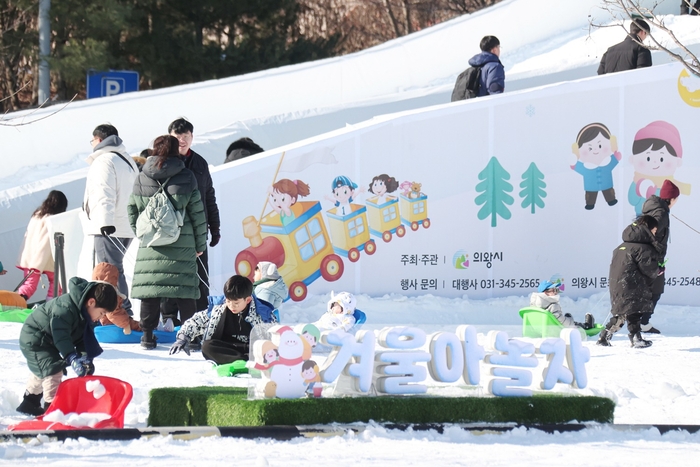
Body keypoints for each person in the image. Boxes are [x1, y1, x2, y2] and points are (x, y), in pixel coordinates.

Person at [127, 135, 208, 349]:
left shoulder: (142, 177)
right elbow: (198, 215)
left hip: (151, 243)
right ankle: (191, 336)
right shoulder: (186, 176)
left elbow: (132, 209)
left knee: (150, 290)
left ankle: (147, 336)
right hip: (181, 242)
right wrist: (200, 245)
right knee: (185, 291)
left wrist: (142, 232)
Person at [16, 278, 117, 416]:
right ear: (91, 302)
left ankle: (29, 403)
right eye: (101, 313)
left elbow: (83, 338)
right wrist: (71, 356)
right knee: (53, 370)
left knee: (43, 368)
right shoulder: (65, 308)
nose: (100, 318)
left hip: (48, 341)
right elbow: (61, 335)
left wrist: (85, 357)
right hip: (35, 339)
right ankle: (51, 410)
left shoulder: (84, 312)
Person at [163, 118, 221, 324]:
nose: (182, 141)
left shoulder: (199, 163)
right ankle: (169, 317)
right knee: (171, 275)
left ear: (192, 138)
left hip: (197, 231)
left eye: (185, 136)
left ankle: (202, 318)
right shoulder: (163, 162)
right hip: (171, 230)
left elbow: (209, 196)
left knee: (199, 276)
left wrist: (215, 227)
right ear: (169, 137)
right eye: (177, 137)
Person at [83, 124, 138, 316]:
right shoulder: (126, 160)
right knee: (115, 269)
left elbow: (103, 193)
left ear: (98, 140)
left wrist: (104, 222)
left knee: (107, 272)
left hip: (108, 225)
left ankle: (118, 313)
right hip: (125, 225)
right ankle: (118, 312)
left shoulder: (104, 160)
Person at [169, 275, 278, 365]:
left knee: (267, 350)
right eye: (228, 301)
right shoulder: (218, 309)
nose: (231, 306)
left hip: (252, 348)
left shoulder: (262, 313)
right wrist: (183, 337)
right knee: (207, 347)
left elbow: (276, 333)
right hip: (228, 348)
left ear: (248, 300)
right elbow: (197, 320)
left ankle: (245, 360)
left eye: (236, 303)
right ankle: (243, 362)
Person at [597, 215, 663, 348]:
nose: (655, 233)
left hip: (620, 285)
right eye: (655, 230)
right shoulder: (643, 248)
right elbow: (649, 269)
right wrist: (659, 270)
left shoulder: (623, 246)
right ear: (649, 229)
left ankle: (630, 338)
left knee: (628, 313)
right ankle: (609, 336)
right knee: (628, 314)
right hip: (634, 285)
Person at [640, 179, 679, 333]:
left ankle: (640, 322)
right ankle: (642, 323)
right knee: (655, 290)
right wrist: (655, 259)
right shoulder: (660, 213)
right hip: (652, 259)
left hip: (647, 257)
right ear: (672, 198)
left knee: (648, 291)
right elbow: (650, 235)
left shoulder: (655, 208)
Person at [16, 190, 68, 302]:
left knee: (28, 285)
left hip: (29, 257)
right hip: (42, 258)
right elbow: (45, 243)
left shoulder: (37, 215)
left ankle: (14, 303)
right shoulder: (51, 219)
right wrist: (38, 265)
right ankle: (51, 307)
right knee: (56, 284)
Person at [570, 123, 621, 210]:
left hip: (607, 184)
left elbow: (616, 159)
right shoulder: (586, 167)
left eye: (600, 145)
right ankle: (590, 204)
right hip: (591, 186)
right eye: (589, 148)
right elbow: (575, 166)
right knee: (590, 195)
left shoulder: (607, 162)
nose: (596, 150)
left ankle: (611, 200)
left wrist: (616, 153)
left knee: (609, 193)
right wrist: (573, 162)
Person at [92, 262, 140, 333]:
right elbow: (114, 314)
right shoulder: (109, 294)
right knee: (139, 327)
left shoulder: (93, 291)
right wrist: (126, 325)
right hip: (115, 326)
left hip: (108, 324)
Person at [530, 281, 594, 330]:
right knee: (570, 321)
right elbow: (565, 324)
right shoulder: (553, 306)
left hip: (539, 330)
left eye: (557, 290)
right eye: (554, 290)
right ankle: (587, 326)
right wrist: (570, 319)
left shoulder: (533, 307)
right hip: (555, 331)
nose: (556, 292)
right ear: (545, 293)